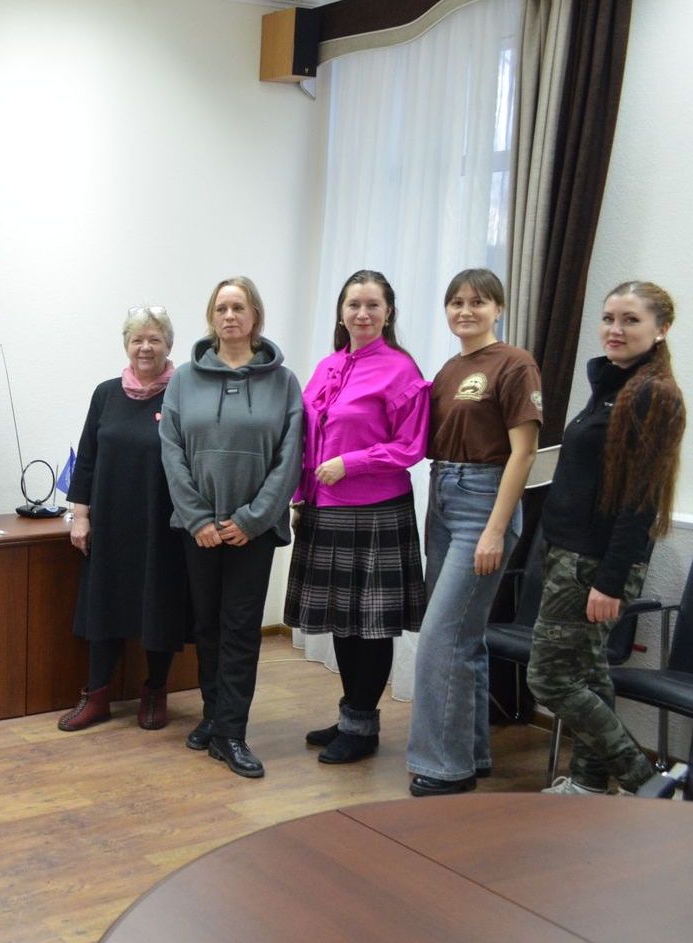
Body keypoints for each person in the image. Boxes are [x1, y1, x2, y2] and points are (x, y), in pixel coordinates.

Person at [528, 281, 684, 795]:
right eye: (609, 318)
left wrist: (611, 582)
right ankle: (590, 786)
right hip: (569, 555)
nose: (615, 329)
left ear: (661, 329)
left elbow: (641, 500)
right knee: (591, 676)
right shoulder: (615, 385)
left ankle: (647, 783)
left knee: (549, 679)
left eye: (631, 320)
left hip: (592, 566)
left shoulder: (653, 395)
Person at [160, 276, 303, 778]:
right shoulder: (183, 379)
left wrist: (252, 518)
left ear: (255, 315)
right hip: (198, 528)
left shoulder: (284, 383)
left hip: (252, 532)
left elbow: (289, 458)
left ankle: (232, 733)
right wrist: (198, 518)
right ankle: (214, 716)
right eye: (221, 308)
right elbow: (171, 451)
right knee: (207, 626)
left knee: (241, 628)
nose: (229, 316)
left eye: (239, 307)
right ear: (211, 316)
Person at [406, 269, 540, 797]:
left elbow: (524, 453)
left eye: (478, 302)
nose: (465, 311)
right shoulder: (449, 369)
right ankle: (473, 753)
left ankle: (445, 767)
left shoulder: (515, 363)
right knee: (466, 636)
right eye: (456, 302)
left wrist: (495, 530)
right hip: (442, 495)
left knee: (441, 639)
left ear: (498, 308)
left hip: (483, 504)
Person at [286, 271, 429, 764]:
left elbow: (411, 446)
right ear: (341, 312)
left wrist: (352, 463)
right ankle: (352, 715)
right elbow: (306, 441)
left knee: (371, 625)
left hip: (376, 512)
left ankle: (362, 728)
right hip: (324, 510)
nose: (362, 314)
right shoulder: (327, 366)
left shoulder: (401, 369)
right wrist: (301, 496)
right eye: (354, 305)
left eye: (373, 305)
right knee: (342, 622)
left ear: (389, 313)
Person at [58, 305, 191, 732]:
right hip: (111, 522)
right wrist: (80, 516)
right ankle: (96, 695)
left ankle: (154, 692)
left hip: (162, 524)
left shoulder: (183, 394)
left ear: (168, 345)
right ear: (126, 345)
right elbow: (87, 459)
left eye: (154, 339)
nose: (145, 347)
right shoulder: (106, 394)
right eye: (137, 339)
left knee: (159, 608)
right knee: (104, 607)